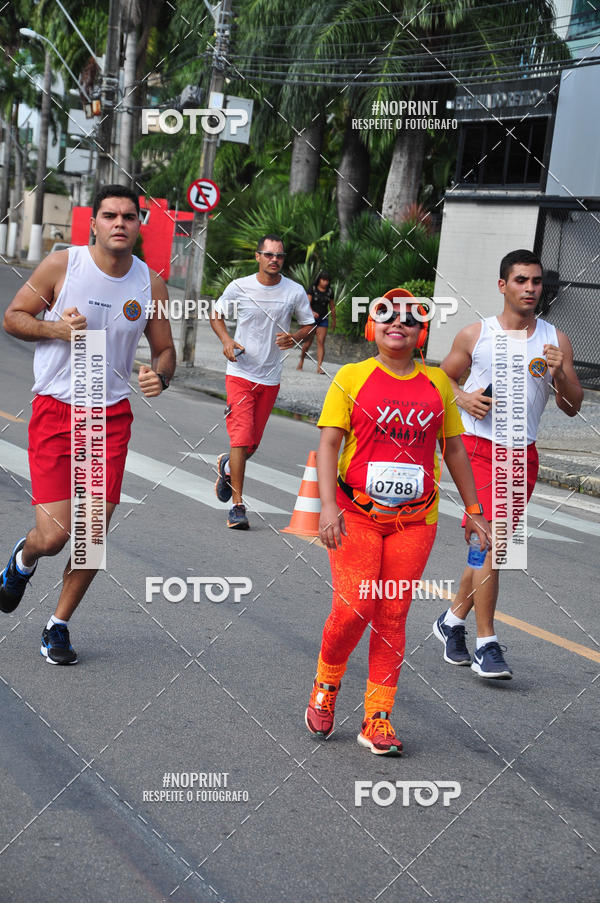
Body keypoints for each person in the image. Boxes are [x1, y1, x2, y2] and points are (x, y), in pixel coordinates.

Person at [305, 289, 491, 755]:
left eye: (410, 318)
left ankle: (377, 718)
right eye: (387, 313)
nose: (398, 323)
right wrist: (327, 506)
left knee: (392, 613)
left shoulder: (438, 386)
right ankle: (326, 685)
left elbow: (452, 450)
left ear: (421, 331)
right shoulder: (352, 376)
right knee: (354, 609)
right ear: (373, 325)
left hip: (416, 521)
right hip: (357, 516)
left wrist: (474, 511)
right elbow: (329, 445)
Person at [0, 185, 175, 664]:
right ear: (93, 223)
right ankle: (24, 559)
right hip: (57, 411)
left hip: (109, 418)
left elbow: (164, 350)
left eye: (129, 216)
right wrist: (55, 328)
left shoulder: (150, 284)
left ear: (139, 226)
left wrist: (159, 375)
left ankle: (58, 625)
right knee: (55, 536)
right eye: (110, 215)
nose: (120, 223)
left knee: (92, 536)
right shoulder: (64, 266)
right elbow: (13, 317)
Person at [434, 249, 583, 679]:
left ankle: (451, 621)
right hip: (477, 451)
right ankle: (487, 643)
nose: (530, 289)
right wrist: (461, 397)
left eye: (536, 282)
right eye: (521, 281)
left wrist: (560, 375)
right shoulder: (475, 335)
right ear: (503, 286)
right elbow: (441, 378)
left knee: (492, 548)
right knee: (490, 544)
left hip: (523, 456)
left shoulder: (556, 340)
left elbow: (572, 406)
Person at [210, 234, 315, 529]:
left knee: (251, 445)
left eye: (279, 256)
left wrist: (294, 337)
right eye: (268, 255)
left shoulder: (293, 291)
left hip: (270, 377)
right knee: (241, 439)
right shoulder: (240, 286)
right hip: (240, 373)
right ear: (257, 256)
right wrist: (227, 340)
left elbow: (309, 325)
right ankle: (238, 506)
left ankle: (227, 465)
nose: (274, 260)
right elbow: (216, 314)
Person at [297, 271, 336, 374]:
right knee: (308, 342)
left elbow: (332, 306)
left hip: (323, 319)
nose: (325, 282)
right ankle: (301, 360)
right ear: (319, 279)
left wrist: (334, 320)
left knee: (320, 342)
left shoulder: (330, 291)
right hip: (311, 319)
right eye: (323, 280)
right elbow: (306, 303)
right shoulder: (312, 289)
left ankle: (319, 367)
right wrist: (312, 312)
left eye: (327, 280)